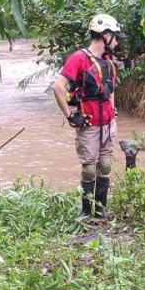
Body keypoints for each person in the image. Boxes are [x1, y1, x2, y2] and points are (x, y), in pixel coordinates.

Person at [52, 14, 125, 220]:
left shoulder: (108, 62)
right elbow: (58, 87)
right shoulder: (79, 58)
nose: (117, 42)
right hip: (89, 126)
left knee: (106, 165)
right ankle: (86, 211)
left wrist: (112, 108)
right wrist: (70, 115)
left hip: (108, 124)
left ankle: (101, 210)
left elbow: (110, 89)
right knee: (90, 169)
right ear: (106, 36)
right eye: (116, 38)